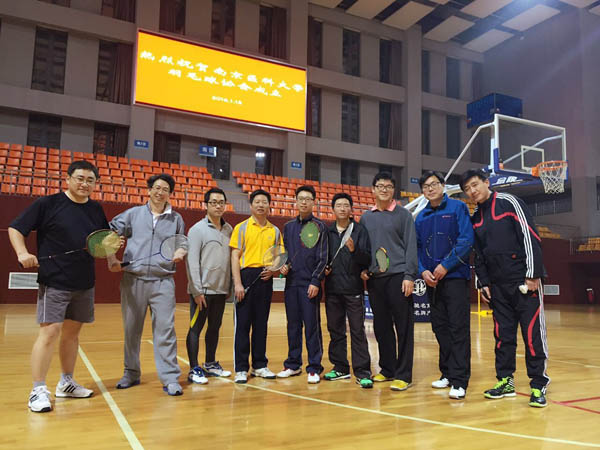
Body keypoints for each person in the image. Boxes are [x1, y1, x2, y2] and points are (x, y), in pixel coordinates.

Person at [8, 160, 109, 413]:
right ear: (68, 178)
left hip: (84, 282)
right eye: (80, 178)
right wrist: (22, 253)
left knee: (72, 335)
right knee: (50, 332)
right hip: (54, 280)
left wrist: (113, 258)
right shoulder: (48, 204)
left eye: (90, 180)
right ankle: (38, 389)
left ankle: (66, 383)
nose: (85, 184)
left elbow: (102, 241)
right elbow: (15, 228)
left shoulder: (95, 209)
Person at [460, 169, 550, 407]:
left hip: (524, 282)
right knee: (503, 337)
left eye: (475, 185)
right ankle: (505, 381)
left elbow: (530, 236)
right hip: (498, 288)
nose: (472, 191)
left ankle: (538, 384)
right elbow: (478, 254)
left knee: (532, 335)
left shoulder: (509, 202)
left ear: (486, 182)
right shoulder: (476, 218)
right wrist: (483, 283)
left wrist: (533, 274)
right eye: (467, 189)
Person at [109, 173, 187, 396]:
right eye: (157, 188)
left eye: (165, 189)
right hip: (133, 279)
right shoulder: (132, 214)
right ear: (149, 190)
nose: (160, 192)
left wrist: (181, 251)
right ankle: (131, 373)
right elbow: (109, 234)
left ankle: (170, 378)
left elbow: (182, 241)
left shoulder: (176, 219)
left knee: (165, 330)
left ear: (170, 194)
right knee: (131, 330)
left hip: (163, 281)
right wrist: (112, 258)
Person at [414, 171, 473, 400]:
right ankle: (447, 373)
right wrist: (423, 270)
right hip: (432, 281)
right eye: (425, 186)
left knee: (458, 328)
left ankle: (460, 380)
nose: (430, 188)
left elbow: (466, 240)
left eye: (434, 184)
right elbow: (418, 248)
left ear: (443, 185)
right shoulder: (421, 217)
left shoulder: (458, 208)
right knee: (440, 328)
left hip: (455, 278)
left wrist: (446, 266)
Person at [359, 172, 417, 392]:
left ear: (393, 191)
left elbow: (411, 246)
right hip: (376, 279)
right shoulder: (366, 217)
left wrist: (409, 276)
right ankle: (388, 368)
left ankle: (404, 375)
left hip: (398, 276)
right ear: (373, 189)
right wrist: (363, 268)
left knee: (403, 328)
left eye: (388, 186)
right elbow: (364, 248)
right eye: (380, 186)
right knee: (381, 326)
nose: (384, 189)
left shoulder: (404, 215)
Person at [230, 189, 282, 384]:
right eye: (257, 202)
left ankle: (259, 365)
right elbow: (235, 256)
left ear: (269, 206)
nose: (261, 205)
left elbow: (279, 256)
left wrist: (274, 270)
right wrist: (237, 283)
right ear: (251, 205)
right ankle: (241, 368)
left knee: (261, 325)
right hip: (246, 277)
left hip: (265, 279)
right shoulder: (241, 228)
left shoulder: (275, 231)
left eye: (264, 202)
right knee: (242, 325)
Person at [278, 185, 328, 384]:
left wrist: (316, 280)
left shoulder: (320, 226)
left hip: (310, 285)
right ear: (295, 202)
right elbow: (286, 254)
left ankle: (314, 367)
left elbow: (323, 258)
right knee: (293, 325)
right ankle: (293, 364)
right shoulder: (289, 227)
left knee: (312, 327)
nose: (304, 202)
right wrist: (283, 266)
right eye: (301, 199)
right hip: (291, 284)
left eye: (308, 199)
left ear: (314, 202)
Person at [323, 193, 373, 388]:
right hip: (333, 289)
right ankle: (340, 368)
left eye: (346, 205)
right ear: (333, 209)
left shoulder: (359, 230)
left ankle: (363, 371)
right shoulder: (328, 232)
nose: (343, 208)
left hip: (353, 288)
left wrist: (354, 251)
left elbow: (367, 258)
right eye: (339, 205)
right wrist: (325, 269)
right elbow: (323, 257)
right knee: (335, 330)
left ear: (351, 209)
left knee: (357, 330)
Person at [185, 187, 233, 384]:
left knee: (214, 328)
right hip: (202, 291)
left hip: (220, 290)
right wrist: (196, 290)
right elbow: (191, 262)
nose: (218, 206)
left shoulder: (229, 229)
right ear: (206, 205)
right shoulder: (197, 230)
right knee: (196, 328)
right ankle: (194, 368)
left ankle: (211, 364)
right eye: (214, 202)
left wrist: (229, 287)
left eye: (221, 202)